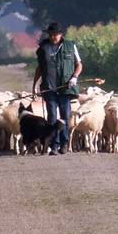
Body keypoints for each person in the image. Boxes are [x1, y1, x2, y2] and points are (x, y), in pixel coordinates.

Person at [33, 22, 82, 155]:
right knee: (52, 116)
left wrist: (74, 77)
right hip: (49, 87)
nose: (53, 37)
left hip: (65, 87)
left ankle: (64, 143)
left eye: (55, 34)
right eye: (51, 35)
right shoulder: (43, 49)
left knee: (65, 115)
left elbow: (79, 64)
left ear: (61, 34)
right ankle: (54, 144)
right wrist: (35, 86)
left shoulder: (70, 46)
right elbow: (39, 68)